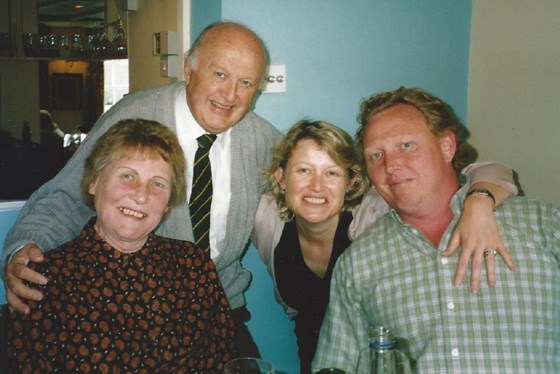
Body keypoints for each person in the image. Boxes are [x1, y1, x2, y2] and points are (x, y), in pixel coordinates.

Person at [1, 21, 281, 357]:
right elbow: (66, 197)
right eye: (220, 74)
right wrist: (23, 248)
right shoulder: (132, 117)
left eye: (245, 82)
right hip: (131, 308)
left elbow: (296, 207)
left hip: (219, 309)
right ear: (188, 68)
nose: (230, 94)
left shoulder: (263, 141)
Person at [312, 87, 560, 373]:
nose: (391, 165)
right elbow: (335, 365)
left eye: (406, 145)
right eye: (376, 155)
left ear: (447, 146)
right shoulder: (358, 263)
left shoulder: (542, 225)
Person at [253, 120, 517, 373]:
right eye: (303, 170)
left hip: (381, 357)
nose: (316, 186)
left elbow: (492, 170)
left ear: (351, 182)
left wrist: (480, 202)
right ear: (281, 177)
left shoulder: (374, 212)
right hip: (316, 362)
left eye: (332, 172)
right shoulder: (266, 220)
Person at [3, 118, 236, 373]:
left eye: (158, 183)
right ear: (94, 182)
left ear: (169, 201)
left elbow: (222, 362)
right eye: (128, 175)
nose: (141, 194)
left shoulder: (193, 265)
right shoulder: (46, 279)